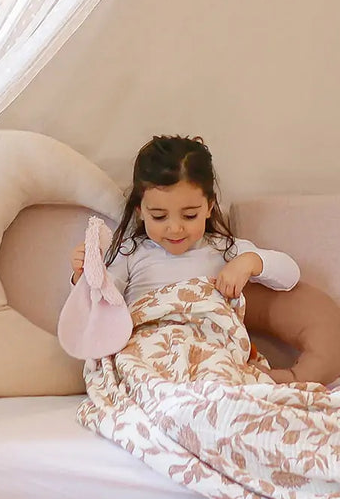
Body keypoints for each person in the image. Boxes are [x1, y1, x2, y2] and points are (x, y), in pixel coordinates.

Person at [70, 135, 301, 378]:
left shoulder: (223, 249)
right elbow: (102, 304)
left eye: (189, 215)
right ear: (140, 211)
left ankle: (210, 400)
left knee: (219, 374)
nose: (175, 228)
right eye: (159, 216)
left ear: (210, 207)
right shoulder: (131, 253)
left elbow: (290, 275)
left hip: (210, 350)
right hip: (150, 353)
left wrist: (250, 262)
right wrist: (83, 276)